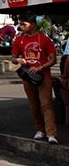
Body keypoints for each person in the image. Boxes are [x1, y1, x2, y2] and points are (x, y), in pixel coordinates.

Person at [12, 14, 58, 144]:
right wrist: (18, 60)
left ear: (32, 24)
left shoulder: (44, 39)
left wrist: (41, 67)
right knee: (33, 104)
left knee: (46, 104)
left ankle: (51, 133)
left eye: (23, 24)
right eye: (20, 24)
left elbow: (53, 59)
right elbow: (13, 58)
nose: (21, 27)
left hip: (43, 75)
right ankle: (40, 129)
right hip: (27, 75)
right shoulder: (19, 40)